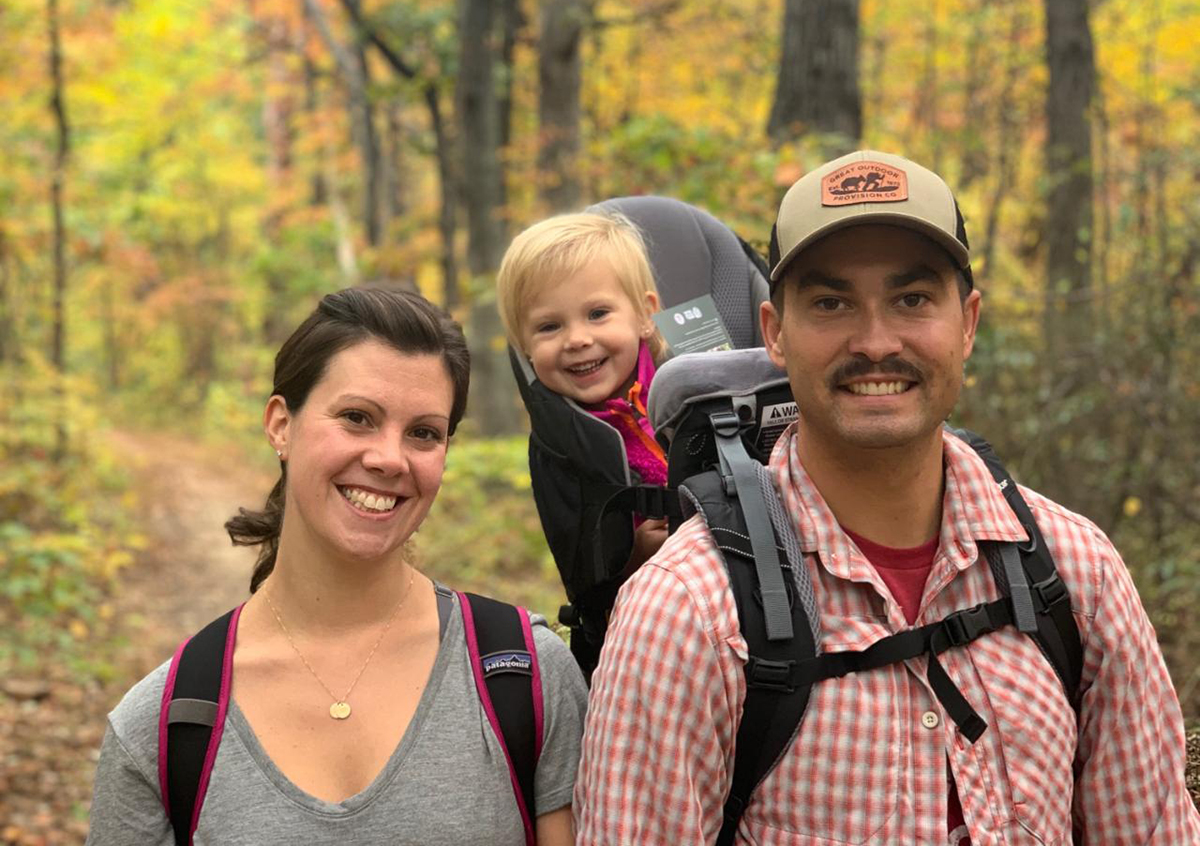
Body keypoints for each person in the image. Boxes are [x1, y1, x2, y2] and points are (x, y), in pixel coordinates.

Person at [574, 150, 1200, 844]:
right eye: (832, 303)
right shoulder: (687, 609)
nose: (875, 342)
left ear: (967, 322)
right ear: (776, 334)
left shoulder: (1077, 575)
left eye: (912, 300)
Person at [87, 286, 587, 845]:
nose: (388, 458)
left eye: (423, 432)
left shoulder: (525, 679)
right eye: (357, 417)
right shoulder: (164, 728)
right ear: (281, 424)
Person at [497, 212, 671, 567]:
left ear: (644, 314)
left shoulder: (686, 388)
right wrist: (635, 556)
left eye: (597, 314)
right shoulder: (558, 449)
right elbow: (582, 576)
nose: (577, 340)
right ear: (524, 346)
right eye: (549, 326)